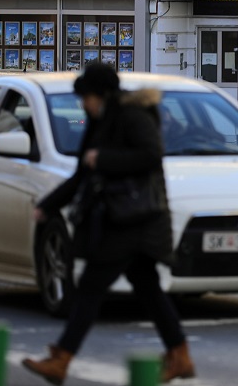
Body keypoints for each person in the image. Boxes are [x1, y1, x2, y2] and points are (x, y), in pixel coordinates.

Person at [22, 63, 195, 385]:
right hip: (122, 216)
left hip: (135, 218)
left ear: (100, 94)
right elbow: (81, 175)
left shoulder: (132, 115)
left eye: (85, 97)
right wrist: (48, 206)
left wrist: (103, 159)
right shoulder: (99, 121)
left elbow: (151, 155)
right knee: (148, 289)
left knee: (89, 288)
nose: (82, 104)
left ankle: (62, 359)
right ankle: (179, 354)